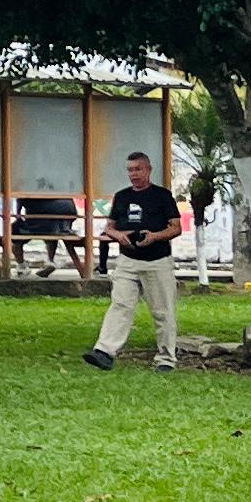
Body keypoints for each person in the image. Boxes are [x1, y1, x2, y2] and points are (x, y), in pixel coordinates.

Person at [87, 152, 185, 370]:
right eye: (130, 170)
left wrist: (155, 237)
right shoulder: (122, 196)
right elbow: (109, 227)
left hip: (157, 261)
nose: (134, 174)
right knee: (120, 305)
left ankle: (166, 358)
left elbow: (176, 227)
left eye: (138, 169)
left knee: (163, 311)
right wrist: (118, 235)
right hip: (127, 261)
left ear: (148, 170)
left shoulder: (162, 196)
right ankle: (104, 351)